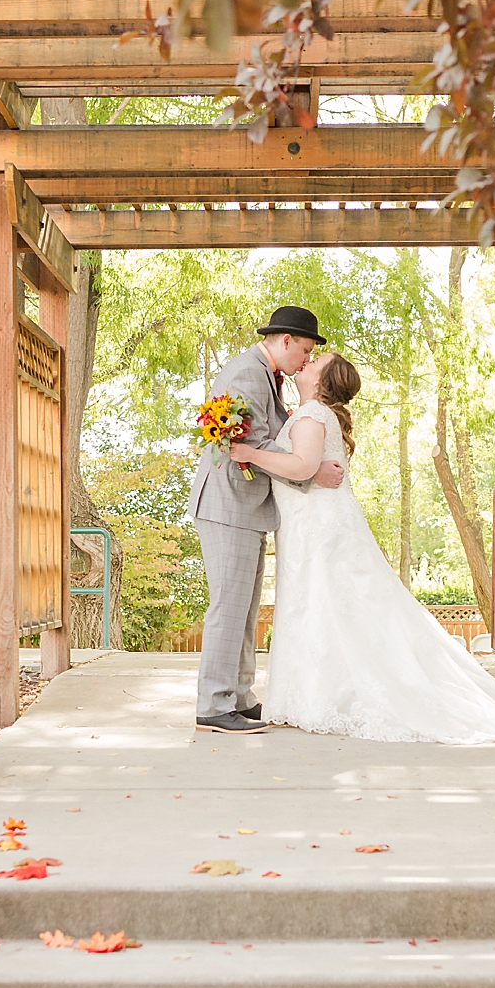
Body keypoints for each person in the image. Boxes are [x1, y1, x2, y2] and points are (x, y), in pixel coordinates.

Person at [230, 349, 495, 744]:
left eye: (317, 361)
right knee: (324, 606)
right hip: (310, 525)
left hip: (319, 527)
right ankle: (313, 694)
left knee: (325, 603)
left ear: (322, 380)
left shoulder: (312, 415)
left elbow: (300, 467)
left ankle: (327, 696)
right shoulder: (308, 414)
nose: (307, 361)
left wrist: (248, 453)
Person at [187, 304, 345, 735]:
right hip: (228, 506)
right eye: (306, 350)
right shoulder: (246, 372)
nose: (307, 360)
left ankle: (238, 697)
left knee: (244, 608)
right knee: (229, 606)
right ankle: (214, 704)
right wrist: (311, 469)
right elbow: (252, 443)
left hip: (247, 508)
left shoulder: (265, 375)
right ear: (286, 340)